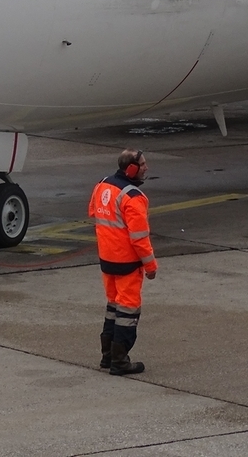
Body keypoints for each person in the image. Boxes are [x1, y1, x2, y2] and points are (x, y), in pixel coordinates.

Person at [88, 148, 157, 375]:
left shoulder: (102, 185)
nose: (146, 168)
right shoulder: (133, 198)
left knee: (113, 308)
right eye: (143, 164)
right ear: (131, 169)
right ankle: (120, 361)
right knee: (128, 313)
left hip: (107, 261)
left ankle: (107, 356)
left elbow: (93, 213)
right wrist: (150, 265)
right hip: (127, 264)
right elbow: (139, 239)